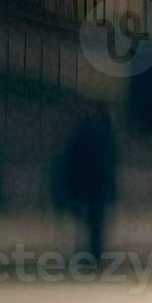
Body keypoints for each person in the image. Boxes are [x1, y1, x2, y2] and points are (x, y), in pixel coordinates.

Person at [55, 106, 118, 263]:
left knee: (84, 224)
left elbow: (69, 160)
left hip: (85, 186)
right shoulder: (105, 134)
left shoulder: (82, 133)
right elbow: (110, 163)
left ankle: (86, 254)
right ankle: (94, 255)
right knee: (95, 224)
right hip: (95, 187)